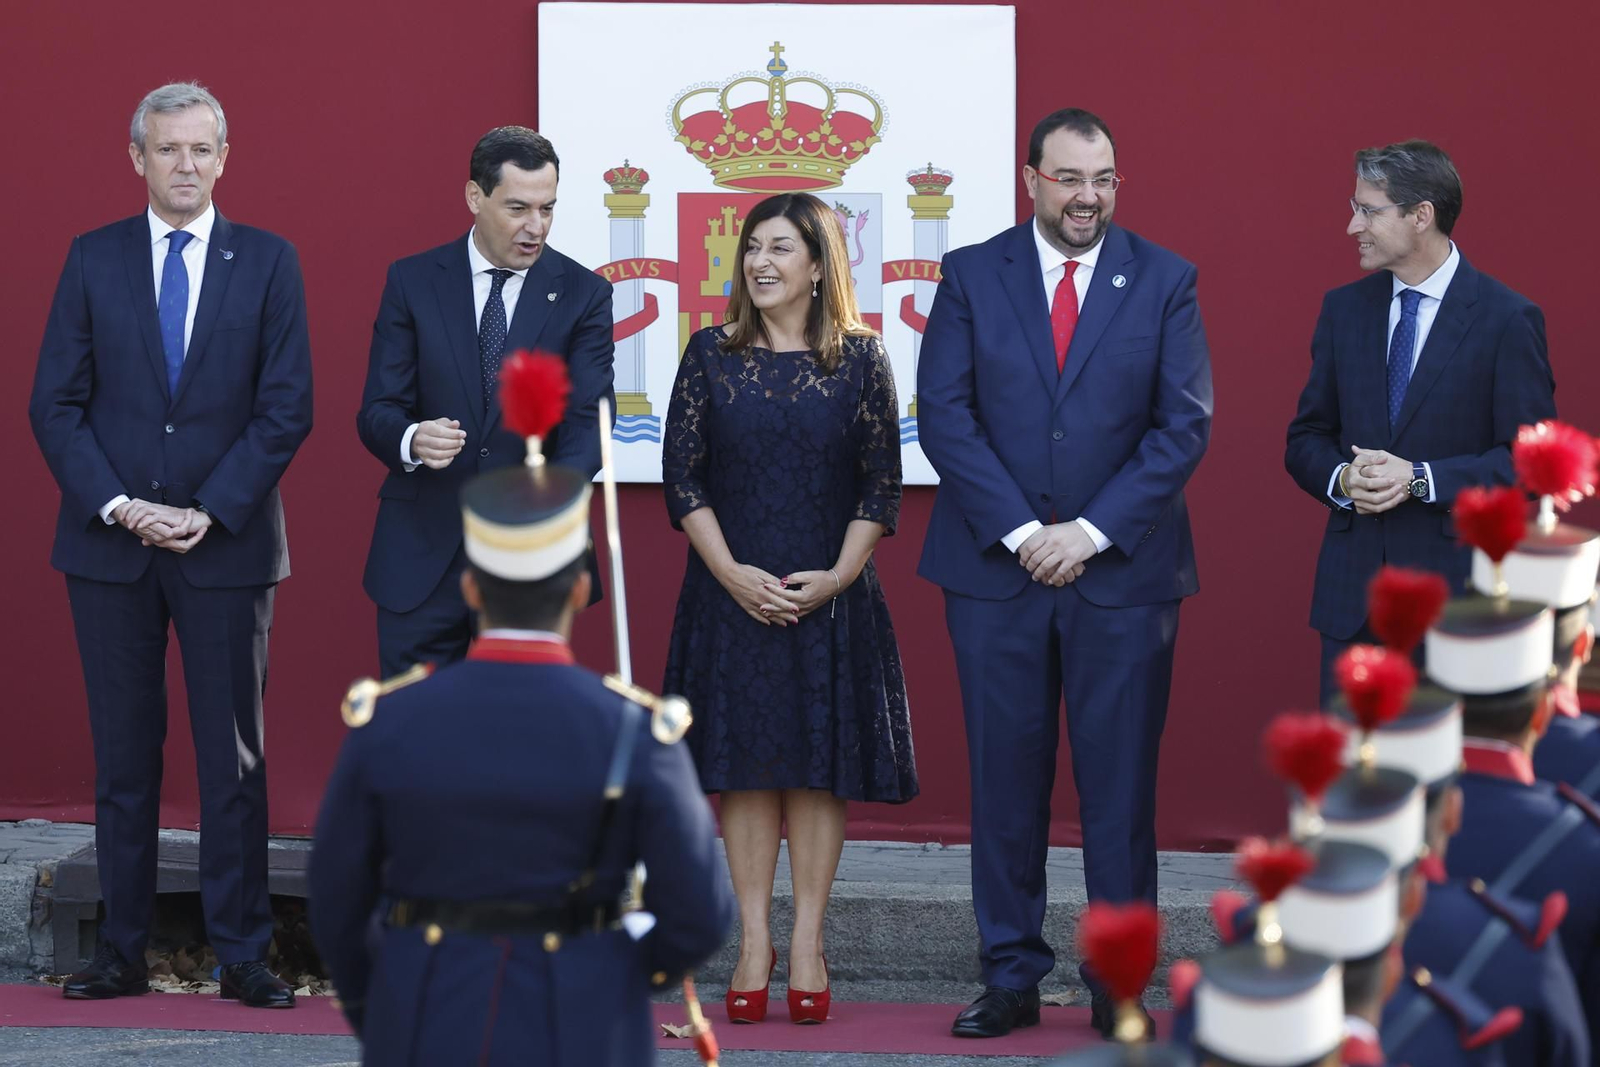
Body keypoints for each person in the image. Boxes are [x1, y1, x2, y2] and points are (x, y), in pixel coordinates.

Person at [916, 107, 1213, 1038]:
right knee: (1005, 785)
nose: (1089, 197)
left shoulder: (1165, 279)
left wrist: (1085, 532)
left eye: (1104, 179)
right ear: (1032, 179)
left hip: (1122, 577)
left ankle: (1118, 985)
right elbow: (945, 414)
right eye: (1071, 179)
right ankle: (1009, 977)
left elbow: (1182, 426)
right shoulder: (971, 275)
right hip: (995, 574)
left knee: (1120, 793)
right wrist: (1021, 531)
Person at [309, 436, 733, 1064]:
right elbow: (700, 912)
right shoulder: (637, 730)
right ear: (579, 590)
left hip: (425, 1016)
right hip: (586, 1025)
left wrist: (386, 1002)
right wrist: (611, 970)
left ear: (471, 589)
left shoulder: (390, 720)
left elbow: (336, 898)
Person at [28, 82, 313, 1006]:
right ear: (137, 158)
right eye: (167, 149)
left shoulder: (268, 261)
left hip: (224, 547)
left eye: (200, 149)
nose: (185, 165)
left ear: (224, 158)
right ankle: (120, 950)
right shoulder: (93, 257)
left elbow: (286, 407)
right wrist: (120, 504)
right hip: (111, 548)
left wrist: (210, 509)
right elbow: (54, 404)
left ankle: (243, 952)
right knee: (124, 757)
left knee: (233, 760)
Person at [661, 191, 916, 1025]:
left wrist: (837, 576)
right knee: (744, 770)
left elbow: (881, 483)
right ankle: (753, 943)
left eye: (780, 248)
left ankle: (807, 941)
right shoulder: (710, 353)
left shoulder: (862, 358)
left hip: (829, 599)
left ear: (817, 264)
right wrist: (731, 573)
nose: (761, 263)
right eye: (752, 248)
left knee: (815, 768)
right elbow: (683, 477)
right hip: (730, 595)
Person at [1285, 139, 1556, 703]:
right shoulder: (1343, 310)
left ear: (1421, 215)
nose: (1352, 226)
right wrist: (1342, 480)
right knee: (1351, 763)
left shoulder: (1507, 319)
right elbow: (1306, 437)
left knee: (1445, 762)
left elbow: (1529, 465)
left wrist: (1421, 478)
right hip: (1352, 606)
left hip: (1454, 607)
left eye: (1368, 210)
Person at [357, 125, 614, 676]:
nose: (536, 227)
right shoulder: (412, 281)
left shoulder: (584, 294)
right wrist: (411, 439)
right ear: (475, 197)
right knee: (415, 718)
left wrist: (543, 503)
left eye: (547, 208)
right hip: (422, 553)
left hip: (529, 555)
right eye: (518, 208)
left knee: (519, 719)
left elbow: (590, 423)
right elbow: (378, 410)